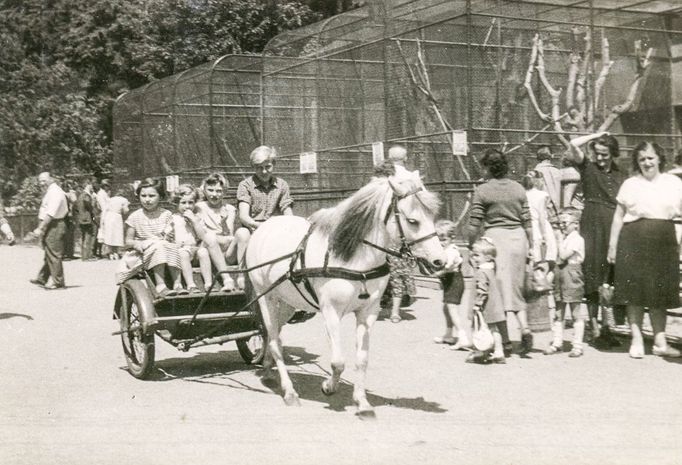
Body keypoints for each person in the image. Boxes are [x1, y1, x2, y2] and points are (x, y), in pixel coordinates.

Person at [607, 142, 682, 359]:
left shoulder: (674, 183)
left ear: (659, 158)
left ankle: (660, 341)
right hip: (633, 239)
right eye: (642, 159)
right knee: (635, 292)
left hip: (664, 240)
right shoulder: (630, 184)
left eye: (650, 158)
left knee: (660, 292)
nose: (647, 163)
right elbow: (618, 216)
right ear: (637, 162)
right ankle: (637, 339)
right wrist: (613, 245)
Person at [467, 148, 533, 355]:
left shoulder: (483, 190)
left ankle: (504, 341)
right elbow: (528, 221)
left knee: (497, 293)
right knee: (516, 288)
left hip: (496, 240)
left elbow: (473, 224)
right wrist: (531, 246)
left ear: (488, 167)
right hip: (519, 239)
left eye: (483, 167)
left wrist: (471, 245)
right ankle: (524, 328)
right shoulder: (518, 188)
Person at [566, 132, 626, 347]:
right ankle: (595, 329)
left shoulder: (621, 174)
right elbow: (573, 144)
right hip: (591, 227)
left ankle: (608, 328)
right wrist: (599, 134)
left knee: (608, 277)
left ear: (613, 154)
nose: (600, 158)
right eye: (597, 153)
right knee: (592, 275)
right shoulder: (588, 168)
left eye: (605, 154)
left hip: (613, 226)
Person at [117, 178, 181, 297]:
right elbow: (128, 241)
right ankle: (160, 285)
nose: (147, 199)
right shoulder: (135, 217)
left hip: (164, 248)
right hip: (143, 252)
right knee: (159, 246)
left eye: (152, 196)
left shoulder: (166, 214)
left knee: (169, 245)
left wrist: (168, 236)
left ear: (160, 197)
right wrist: (138, 244)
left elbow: (170, 235)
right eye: (143, 196)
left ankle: (178, 284)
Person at [167, 184, 235, 294]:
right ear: (176, 203)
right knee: (183, 253)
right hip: (181, 251)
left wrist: (194, 221)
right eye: (183, 203)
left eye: (191, 203)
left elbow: (201, 235)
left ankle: (209, 284)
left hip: (195, 249)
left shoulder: (197, 217)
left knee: (203, 252)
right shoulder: (173, 218)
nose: (187, 206)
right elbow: (167, 235)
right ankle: (191, 285)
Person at [235, 145, 294, 264]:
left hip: (274, 230)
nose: (264, 171)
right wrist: (260, 227)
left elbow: (287, 212)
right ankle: (243, 275)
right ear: (253, 167)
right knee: (242, 233)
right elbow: (244, 216)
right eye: (259, 168)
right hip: (253, 230)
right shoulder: (245, 185)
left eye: (268, 167)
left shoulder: (282, 185)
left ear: (274, 164)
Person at [544, 208, 586, 358]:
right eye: (560, 223)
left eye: (565, 222)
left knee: (575, 311)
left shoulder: (577, 239)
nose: (562, 226)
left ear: (575, 224)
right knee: (558, 311)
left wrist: (559, 240)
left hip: (572, 274)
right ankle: (557, 343)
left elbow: (563, 256)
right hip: (560, 274)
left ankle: (577, 346)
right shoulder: (566, 238)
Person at [466, 237, 506, 364]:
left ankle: (480, 352)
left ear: (488, 257)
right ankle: (499, 352)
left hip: (485, 305)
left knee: (479, 327)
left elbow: (482, 290)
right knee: (494, 328)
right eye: (473, 255)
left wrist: (477, 304)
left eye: (477, 255)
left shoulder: (481, 272)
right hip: (495, 305)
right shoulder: (490, 269)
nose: (474, 258)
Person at [432, 220, 470, 349]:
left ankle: (463, 336)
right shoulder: (444, 249)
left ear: (452, 238)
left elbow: (448, 266)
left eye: (444, 240)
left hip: (455, 281)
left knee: (452, 310)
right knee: (446, 308)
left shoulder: (451, 250)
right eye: (439, 240)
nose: (441, 243)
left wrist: (439, 273)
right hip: (449, 282)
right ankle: (448, 334)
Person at [29, 172, 69, 290]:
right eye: (40, 181)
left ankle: (58, 282)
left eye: (44, 180)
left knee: (54, 253)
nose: (41, 183)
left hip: (56, 225)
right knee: (49, 252)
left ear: (51, 179)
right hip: (52, 224)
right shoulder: (50, 192)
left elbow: (51, 213)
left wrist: (40, 228)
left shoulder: (55, 192)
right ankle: (42, 278)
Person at [195, 173, 238, 264]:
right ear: (204, 190)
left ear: (225, 192)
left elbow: (228, 234)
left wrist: (223, 223)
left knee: (240, 235)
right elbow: (202, 235)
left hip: (225, 249)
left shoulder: (229, 209)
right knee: (211, 239)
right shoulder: (199, 207)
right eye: (210, 190)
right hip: (207, 248)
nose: (214, 194)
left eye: (219, 191)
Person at [533, 145, 562, 214]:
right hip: (557, 209)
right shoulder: (558, 171)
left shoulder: (534, 173)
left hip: (541, 209)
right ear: (552, 155)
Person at [102, 188, 130, 260]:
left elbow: (105, 208)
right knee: (117, 234)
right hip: (116, 217)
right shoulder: (124, 200)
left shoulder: (111, 199)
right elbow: (125, 211)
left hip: (108, 216)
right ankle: (116, 252)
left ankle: (110, 252)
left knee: (110, 234)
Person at [76, 181, 97, 260]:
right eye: (90, 186)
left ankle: (84, 255)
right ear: (87, 186)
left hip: (81, 218)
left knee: (84, 237)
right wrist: (93, 206)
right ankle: (87, 256)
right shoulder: (86, 195)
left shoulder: (80, 195)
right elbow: (89, 206)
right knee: (88, 237)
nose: (92, 187)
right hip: (87, 219)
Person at [94, 179, 110, 258]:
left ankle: (104, 251)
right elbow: (103, 206)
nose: (108, 188)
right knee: (102, 233)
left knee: (105, 233)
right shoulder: (101, 194)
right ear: (104, 186)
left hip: (107, 213)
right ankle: (99, 252)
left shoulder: (105, 193)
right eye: (107, 186)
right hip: (104, 214)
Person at [63, 180, 78, 260]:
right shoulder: (64, 194)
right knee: (66, 236)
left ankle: (69, 253)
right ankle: (66, 254)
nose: (69, 188)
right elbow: (74, 200)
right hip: (66, 217)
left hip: (70, 216)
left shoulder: (69, 194)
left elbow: (75, 201)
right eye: (68, 186)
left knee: (70, 236)